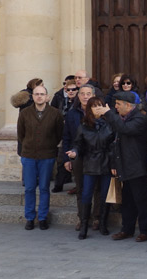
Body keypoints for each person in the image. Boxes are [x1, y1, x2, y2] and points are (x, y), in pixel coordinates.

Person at [94, 91, 147, 242]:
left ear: (128, 105)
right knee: (127, 201)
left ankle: (146, 231)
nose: (116, 107)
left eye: (118, 104)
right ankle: (127, 229)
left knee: (142, 201)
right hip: (125, 166)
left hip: (138, 168)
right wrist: (115, 164)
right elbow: (116, 142)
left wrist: (108, 113)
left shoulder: (140, 119)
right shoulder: (122, 118)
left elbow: (124, 129)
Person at [66, 97, 114, 239]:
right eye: (94, 106)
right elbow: (78, 144)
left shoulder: (110, 124)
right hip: (90, 163)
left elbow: (114, 144)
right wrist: (74, 152)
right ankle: (84, 224)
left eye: (100, 105)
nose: (97, 108)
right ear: (89, 109)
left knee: (105, 194)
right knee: (86, 194)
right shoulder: (84, 126)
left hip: (106, 162)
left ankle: (103, 223)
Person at [18, 84, 64, 231]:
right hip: (29, 155)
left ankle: (43, 217)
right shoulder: (25, 113)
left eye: (42, 94)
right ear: (32, 97)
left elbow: (59, 134)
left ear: (47, 97)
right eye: (36, 94)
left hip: (47, 156)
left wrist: (49, 146)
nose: (39, 96)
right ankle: (30, 217)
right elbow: (21, 134)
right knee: (30, 188)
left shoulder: (55, 113)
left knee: (44, 188)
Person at [62, 84, 96, 230]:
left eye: (88, 93)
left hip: (96, 156)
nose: (85, 96)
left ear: (93, 95)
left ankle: (97, 218)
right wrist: (66, 159)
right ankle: (83, 218)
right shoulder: (71, 114)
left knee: (97, 189)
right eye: (82, 93)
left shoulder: (99, 112)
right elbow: (67, 137)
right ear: (78, 96)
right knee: (80, 188)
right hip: (77, 155)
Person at [51, 79, 79, 193]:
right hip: (66, 133)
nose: (71, 92)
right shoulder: (63, 101)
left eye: (73, 89)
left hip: (77, 135)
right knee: (62, 160)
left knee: (77, 163)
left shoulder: (78, 103)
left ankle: (76, 185)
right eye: (68, 90)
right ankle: (59, 184)